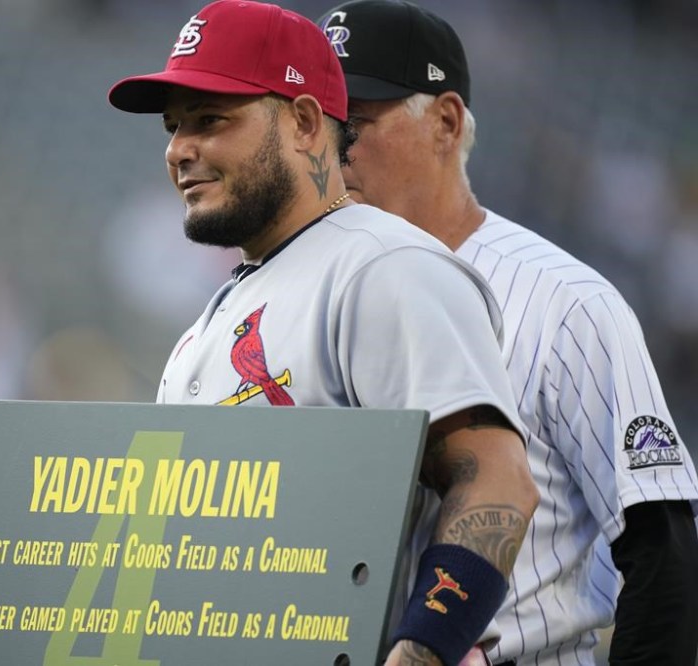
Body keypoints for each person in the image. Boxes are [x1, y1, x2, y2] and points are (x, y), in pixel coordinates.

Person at [107, 2, 539, 664]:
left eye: (210, 120)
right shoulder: (211, 320)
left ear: (306, 122)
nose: (178, 150)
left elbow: (496, 481)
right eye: (173, 127)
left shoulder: (383, 266)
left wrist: (421, 651)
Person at [316, 1, 698, 664]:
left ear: (445, 121)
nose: (330, 147)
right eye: (316, 124)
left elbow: (663, 550)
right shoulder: (312, 299)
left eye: (356, 121)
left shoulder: (565, 301)